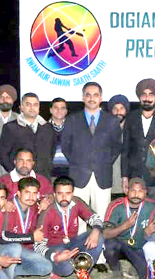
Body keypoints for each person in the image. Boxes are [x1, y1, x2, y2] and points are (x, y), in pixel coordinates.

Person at [60, 82, 123, 217]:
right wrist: (79, 161)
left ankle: (98, 239)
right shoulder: (72, 119)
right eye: (88, 95)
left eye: (95, 95)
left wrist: (103, 161)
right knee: (77, 218)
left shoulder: (112, 121)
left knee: (101, 218)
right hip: (78, 175)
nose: (91, 98)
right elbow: (65, 146)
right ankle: (79, 239)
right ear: (83, 97)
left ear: (101, 98)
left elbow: (117, 146)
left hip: (102, 175)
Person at [34, 176, 105, 279]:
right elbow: (38, 245)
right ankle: (55, 270)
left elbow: (96, 218)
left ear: (72, 193)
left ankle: (84, 272)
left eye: (67, 193)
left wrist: (95, 230)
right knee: (67, 270)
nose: (64, 197)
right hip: (55, 247)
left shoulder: (76, 202)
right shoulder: (47, 212)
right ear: (54, 194)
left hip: (72, 243)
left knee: (99, 237)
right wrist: (55, 256)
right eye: (60, 193)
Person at [0, 177, 54, 279]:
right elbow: (3, 237)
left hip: (23, 250)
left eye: (34, 193)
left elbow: (51, 197)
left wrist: (47, 201)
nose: (31, 197)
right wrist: (32, 237)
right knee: (15, 247)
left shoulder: (35, 207)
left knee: (46, 267)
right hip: (2, 248)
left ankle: (11, 271)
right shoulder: (7, 207)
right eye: (27, 193)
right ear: (18, 193)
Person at [103, 178, 155, 279]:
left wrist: (149, 233)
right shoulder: (116, 205)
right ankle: (116, 270)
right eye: (133, 190)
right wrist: (125, 226)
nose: (136, 194)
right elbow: (105, 234)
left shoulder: (152, 206)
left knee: (147, 278)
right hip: (121, 247)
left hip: (141, 248)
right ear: (127, 190)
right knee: (109, 245)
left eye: (140, 191)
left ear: (145, 192)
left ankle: (136, 265)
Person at [0, 92, 56, 178]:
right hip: (20, 179)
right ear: (21, 107)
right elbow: (2, 154)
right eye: (28, 104)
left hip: (43, 178)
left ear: (39, 108)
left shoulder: (48, 128)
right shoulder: (10, 128)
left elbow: (51, 151)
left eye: (35, 105)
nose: (32, 108)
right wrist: (17, 173)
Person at [121, 78, 155, 195]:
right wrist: (124, 176)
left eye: (151, 95)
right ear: (139, 97)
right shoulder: (130, 118)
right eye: (143, 94)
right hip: (135, 176)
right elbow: (125, 149)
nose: (147, 98)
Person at [107, 94, 130, 196]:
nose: (118, 111)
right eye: (115, 108)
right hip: (108, 182)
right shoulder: (104, 130)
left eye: (121, 108)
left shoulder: (132, 129)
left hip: (127, 183)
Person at [48, 97, 71, 178]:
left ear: (66, 111)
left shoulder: (73, 128)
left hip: (70, 173)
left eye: (62, 108)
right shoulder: (43, 128)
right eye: (56, 108)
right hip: (49, 173)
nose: (59, 111)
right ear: (51, 110)